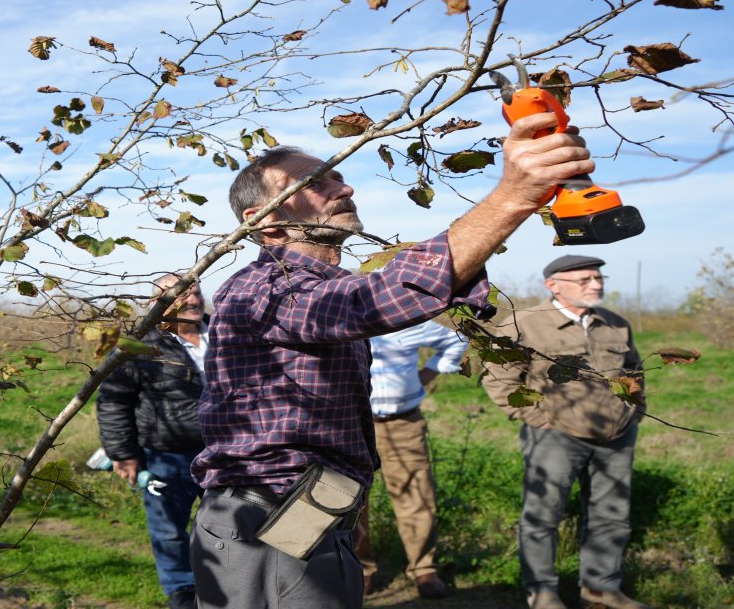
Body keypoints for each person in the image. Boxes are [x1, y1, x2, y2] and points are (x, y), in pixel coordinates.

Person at [189, 110, 596, 609]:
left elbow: (404, 290)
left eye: (338, 176)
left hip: (304, 513)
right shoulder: (262, 288)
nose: (344, 189)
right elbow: (380, 298)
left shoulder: (324, 284)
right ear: (266, 221)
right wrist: (513, 196)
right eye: (314, 182)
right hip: (267, 517)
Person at [481, 255, 648, 609]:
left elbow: (634, 372)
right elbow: (498, 378)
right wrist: (540, 419)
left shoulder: (615, 324)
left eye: (598, 277)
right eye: (585, 279)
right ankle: (541, 591)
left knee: (612, 515)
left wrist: (633, 412)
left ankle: (601, 589)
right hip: (554, 436)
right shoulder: (524, 323)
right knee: (543, 515)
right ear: (553, 285)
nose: (596, 284)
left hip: (616, 436)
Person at [96, 273, 207, 609]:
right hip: (166, 457)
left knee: (231, 525)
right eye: (179, 296)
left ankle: (232, 585)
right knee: (170, 530)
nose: (192, 301)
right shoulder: (139, 346)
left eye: (196, 293)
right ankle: (182, 591)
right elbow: (113, 401)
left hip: (228, 453)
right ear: (158, 305)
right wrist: (123, 454)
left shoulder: (226, 333)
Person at [353, 319, 466, 599]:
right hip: (351, 424)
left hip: (403, 423)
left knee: (416, 494)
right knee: (352, 499)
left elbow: (456, 341)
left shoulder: (405, 320)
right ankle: (360, 569)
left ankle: (424, 568)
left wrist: (424, 375)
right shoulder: (344, 319)